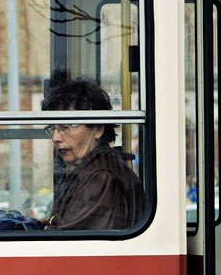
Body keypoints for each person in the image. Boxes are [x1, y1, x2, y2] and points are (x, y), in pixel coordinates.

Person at [41, 79, 144, 230]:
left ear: (98, 129)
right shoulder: (94, 169)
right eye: (53, 129)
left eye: (65, 127)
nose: (55, 138)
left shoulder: (101, 176)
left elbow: (69, 242)